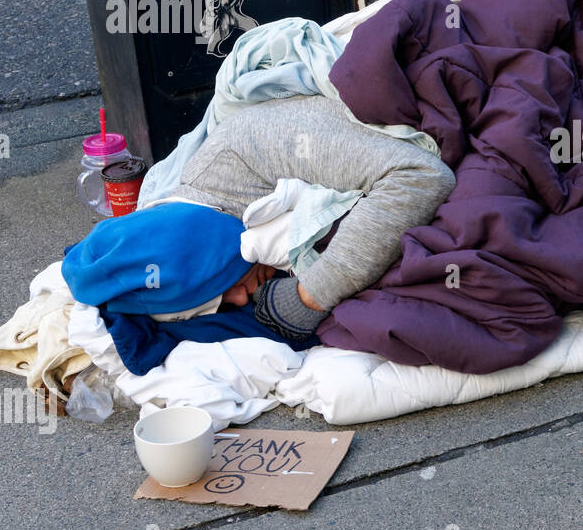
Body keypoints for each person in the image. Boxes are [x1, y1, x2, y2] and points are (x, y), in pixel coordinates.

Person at [64, 93, 456, 344]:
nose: (240, 299)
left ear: (209, 250)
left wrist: (312, 295)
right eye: (220, 305)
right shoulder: (221, 213)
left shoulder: (253, 149)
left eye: (219, 288)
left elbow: (421, 177)